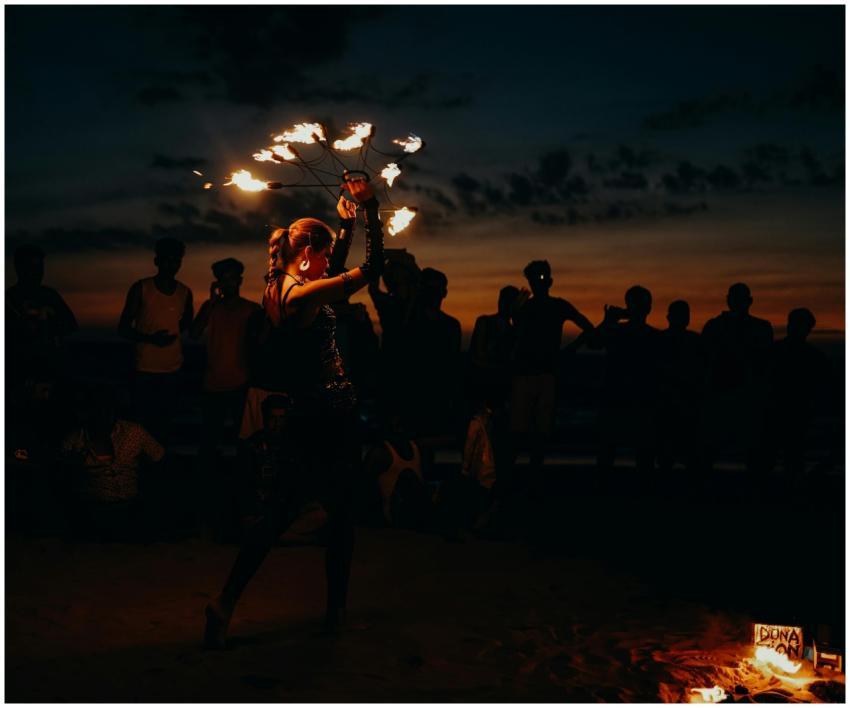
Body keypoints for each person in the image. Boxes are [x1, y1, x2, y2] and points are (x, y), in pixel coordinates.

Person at [205, 175, 384, 649]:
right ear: (306, 256)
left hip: (305, 415)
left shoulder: (278, 285)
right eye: (321, 257)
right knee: (340, 518)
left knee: (277, 515)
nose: (326, 265)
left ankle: (224, 603)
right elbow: (373, 268)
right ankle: (335, 616)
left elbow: (336, 270)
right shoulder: (302, 296)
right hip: (327, 420)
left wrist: (345, 228)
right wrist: (371, 209)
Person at [509, 260, 594, 485]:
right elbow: (513, 333)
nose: (537, 283)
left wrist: (570, 350)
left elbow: (587, 327)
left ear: (550, 281)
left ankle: (529, 479)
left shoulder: (558, 305)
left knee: (540, 432)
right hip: (525, 373)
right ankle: (512, 479)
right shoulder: (525, 306)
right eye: (533, 279)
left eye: (540, 278)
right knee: (519, 431)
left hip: (545, 374)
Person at [60, 386, 165, 541]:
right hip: (92, 510)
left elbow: (160, 460)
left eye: (106, 408)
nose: (101, 414)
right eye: (96, 409)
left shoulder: (134, 432)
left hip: (131, 507)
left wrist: (148, 493)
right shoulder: (75, 440)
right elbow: (64, 477)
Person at [118, 237, 193, 443]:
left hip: (173, 370)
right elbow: (123, 328)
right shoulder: (141, 288)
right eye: (167, 260)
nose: (172, 265)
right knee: (140, 426)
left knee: (165, 426)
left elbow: (185, 323)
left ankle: (161, 460)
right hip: (144, 370)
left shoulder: (185, 292)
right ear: (157, 261)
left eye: (176, 260)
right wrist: (151, 339)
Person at [191, 258, 260, 461]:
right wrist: (211, 302)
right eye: (224, 279)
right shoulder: (211, 307)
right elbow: (194, 333)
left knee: (244, 439)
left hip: (242, 383)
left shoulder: (252, 309)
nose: (228, 283)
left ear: (240, 280)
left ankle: (243, 475)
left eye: (232, 279)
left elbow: (262, 343)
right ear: (218, 282)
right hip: (212, 384)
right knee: (209, 438)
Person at [700, 283, 773, 474]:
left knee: (750, 452)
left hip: (742, 397)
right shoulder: (759, 328)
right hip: (725, 396)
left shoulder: (716, 326)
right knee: (712, 450)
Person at [595, 285, 660, 475]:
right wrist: (608, 322)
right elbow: (594, 342)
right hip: (624, 398)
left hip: (631, 398)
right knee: (620, 451)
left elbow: (593, 342)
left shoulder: (649, 336)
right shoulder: (653, 336)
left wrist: (608, 322)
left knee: (636, 452)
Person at [766, 308, 828, 487]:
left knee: (778, 456)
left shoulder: (774, 351)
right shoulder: (814, 357)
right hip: (788, 413)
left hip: (783, 412)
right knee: (789, 457)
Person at [655, 300, 705, 474]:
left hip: (681, 403)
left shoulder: (659, 339)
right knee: (674, 455)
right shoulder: (695, 341)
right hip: (673, 403)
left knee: (675, 456)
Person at [469, 285, 523, 409]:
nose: (504, 305)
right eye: (504, 300)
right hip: (483, 384)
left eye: (509, 302)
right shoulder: (484, 322)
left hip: (499, 387)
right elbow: (479, 354)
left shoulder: (515, 331)